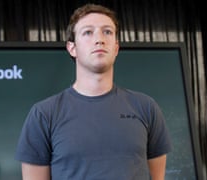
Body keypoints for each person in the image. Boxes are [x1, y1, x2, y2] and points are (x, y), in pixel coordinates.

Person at [15, 3, 172, 180]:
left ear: (116, 48)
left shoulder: (147, 108)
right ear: (72, 48)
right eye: (88, 32)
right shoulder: (43, 115)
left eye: (107, 32)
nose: (99, 39)